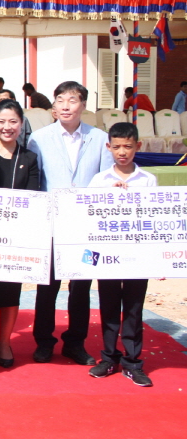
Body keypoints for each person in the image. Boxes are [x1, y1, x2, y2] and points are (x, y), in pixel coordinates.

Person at [27, 81, 113, 366]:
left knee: (81, 288)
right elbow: (34, 182)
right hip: (51, 224)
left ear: (83, 105)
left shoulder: (100, 138)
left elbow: (105, 180)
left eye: (72, 100)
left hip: (84, 227)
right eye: (60, 100)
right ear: (54, 105)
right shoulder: (38, 139)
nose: (66, 105)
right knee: (47, 286)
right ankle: (44, 341)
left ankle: (75, 342)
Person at [87, 122, 156, 387]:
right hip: (108, 257)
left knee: (134, 310)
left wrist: (157, 260)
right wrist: (109, 198)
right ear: (108, 148)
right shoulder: (100, 180)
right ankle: (108, 358)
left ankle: (133, 362)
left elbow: (156, 221)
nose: (122, 152)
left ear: (138, 146)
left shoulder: (148, 180)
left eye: (128, 146)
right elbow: (89, 215)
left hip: (137, 258)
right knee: (109, 307)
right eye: (116, 147)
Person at [0, 100, 40, 369]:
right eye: (1, 121)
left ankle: (4, 342)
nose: (7, 127)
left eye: (13, 122)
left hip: (14, 237)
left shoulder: (29, 158)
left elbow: (35, 196)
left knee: (9, 291)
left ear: (21, 124)